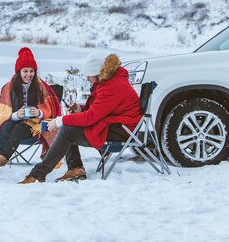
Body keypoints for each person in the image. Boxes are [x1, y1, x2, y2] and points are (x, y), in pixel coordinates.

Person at [19, 52, 141, 183]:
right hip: (114, 125)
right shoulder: (109, 81)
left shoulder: (112, 86)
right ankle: (75, 169)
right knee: (68, 126)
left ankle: (38, 174)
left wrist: (60, 120)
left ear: (98, 73)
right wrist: (80, 109)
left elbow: (91, 117)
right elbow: (100, 109)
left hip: (122, 131)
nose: (87, 79)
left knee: (67, 129)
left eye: (89, 76)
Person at [0, 47, 61, 166]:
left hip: (35, 126)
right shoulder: (9, 87)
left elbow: (50, 111)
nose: (29, 74)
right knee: (5, 126)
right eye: (25, 71)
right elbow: (3, 113)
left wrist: (39, 113)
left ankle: (3, 158)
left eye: (31, 71)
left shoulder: (41, 87)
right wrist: (16, 115)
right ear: (19, 72)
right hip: (15, 121)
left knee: (19, 128)